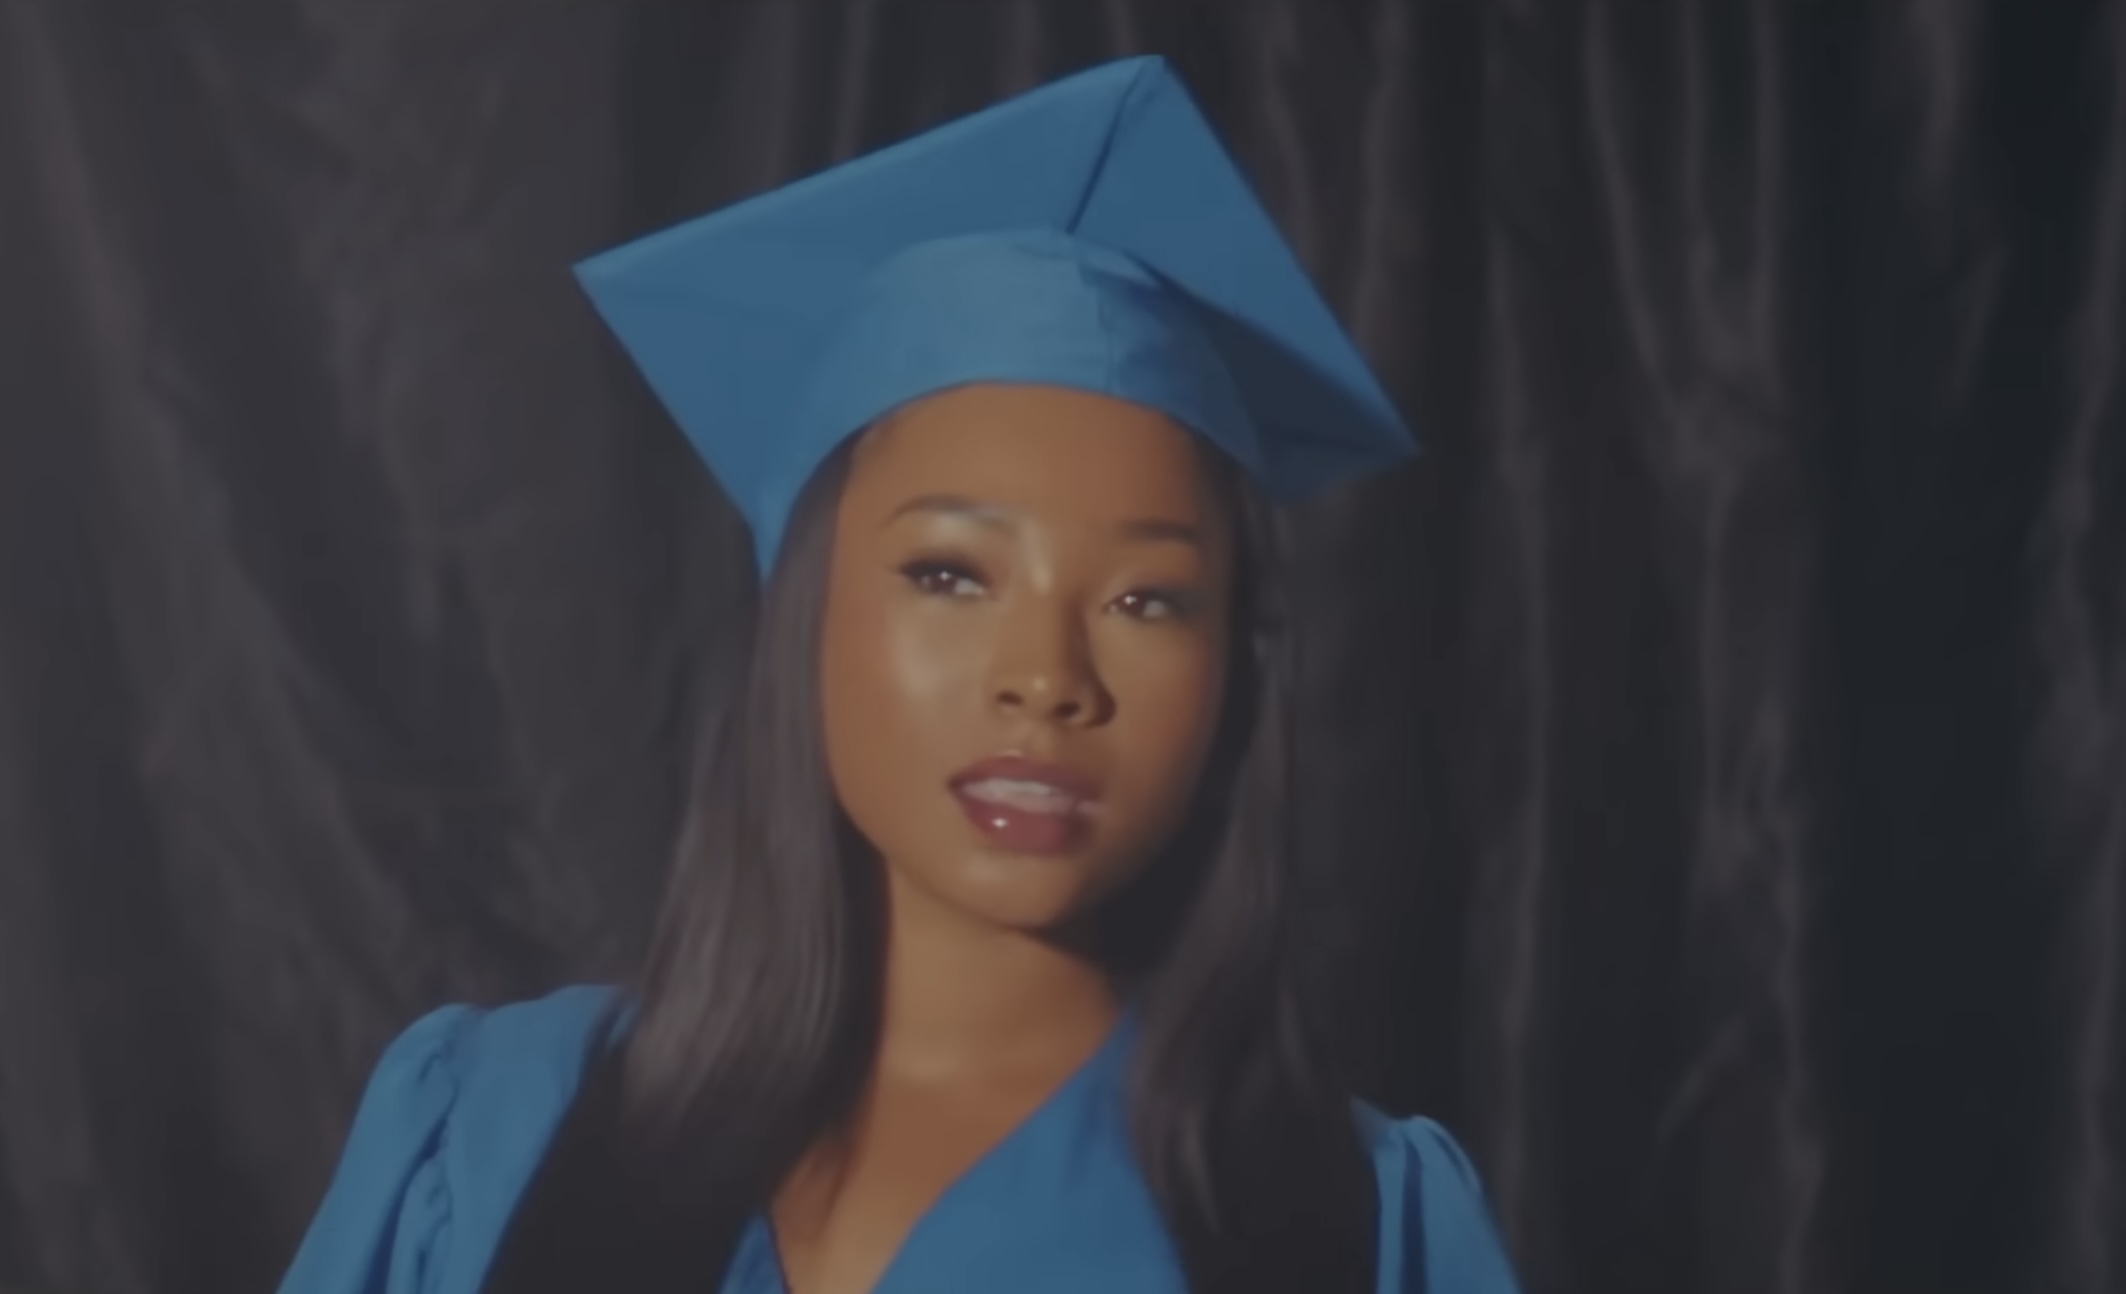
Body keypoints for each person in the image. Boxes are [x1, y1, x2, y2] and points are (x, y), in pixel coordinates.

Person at [274, 56, 1522, 1294]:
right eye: (949, 574)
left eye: (1146, 598)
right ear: (804, 611)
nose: (1045, 678)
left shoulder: (1357, 1225)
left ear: (1233, 676)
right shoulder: (490, 1132)